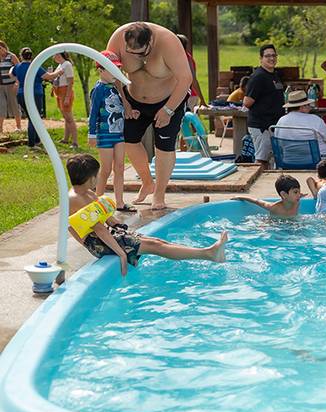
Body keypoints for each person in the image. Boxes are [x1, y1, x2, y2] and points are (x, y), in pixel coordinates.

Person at [66, 154, 227, 277]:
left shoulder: (88, 193)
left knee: (156, 241)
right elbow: (99, 230)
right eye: (97, 175)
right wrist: (122, 254)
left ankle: (207, 253)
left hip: (108, 235)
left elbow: (105, 219)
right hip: (98, 242)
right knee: (155, 247)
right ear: (90, 178)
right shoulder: (75, 200)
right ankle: (208, 253)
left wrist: (121, 227)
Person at [107, 22, 193, 210]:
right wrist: (125, 102)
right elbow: (110, 73)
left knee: (163, 146)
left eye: (142, 53)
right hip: (134, 99)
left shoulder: (168, 41)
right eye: (132, 54)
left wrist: (169, 109)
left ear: (151, 41)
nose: (137, 57)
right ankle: (147, 182)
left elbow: (186, 78)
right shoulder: (117, 38)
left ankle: (159, 193)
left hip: (168, 99)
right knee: (128, 139)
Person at [88, 51, 132, 213]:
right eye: (111, 69)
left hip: (118, 133)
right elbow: (93, 114)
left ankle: (119, 202)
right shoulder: (98, 89)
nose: (116, 73)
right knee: (106, 169)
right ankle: (97, 202)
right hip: (104, 134)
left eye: (117, 69)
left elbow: (119, 109)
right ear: (101, 70)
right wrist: (92, 133)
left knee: (119, 167)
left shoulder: (115, 89)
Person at [275, 90, 326, 170]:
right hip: (318, 163)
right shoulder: (314, 119)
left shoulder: (281, 121)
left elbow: (279, 145)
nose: (310, 107)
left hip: (289, 162)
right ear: (302, 107)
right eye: (308, 104)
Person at [243, 44, 285, 168]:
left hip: (272, 125)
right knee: (261, 159)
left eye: (273, 55)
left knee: (269, 159)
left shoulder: (274, 75)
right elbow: (247, 102)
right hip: (261, 126)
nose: (271, 58)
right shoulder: (258, 77)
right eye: (267, 56)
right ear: (261, 58)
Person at [11, 47, 55, 147]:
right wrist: (59, 72)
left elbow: (11, 74)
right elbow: (49, 76)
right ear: (31, 56)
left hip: (21, 94)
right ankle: (32, 143)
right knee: (34, 117)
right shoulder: (35, 66)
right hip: (35, 94)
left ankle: (37, 139)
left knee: (31, 117)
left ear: (21, 56)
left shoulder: (18, 67)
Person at [232, 174, 302, 218]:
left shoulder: (296, 202)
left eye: (299, 191)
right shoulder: (274, 208)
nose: (299, 195)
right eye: (295, 192)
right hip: (275, 226)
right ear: (283, 194)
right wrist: (241, 197)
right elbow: (257, 201)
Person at [49, 52, 78, 147]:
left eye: (55, 54)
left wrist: (67, 97)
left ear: (59, 55)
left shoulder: (67, 64)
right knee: (66, 117)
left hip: (65, 92)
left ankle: (75, 142)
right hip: (59, 92)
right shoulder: (60, 65)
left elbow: (70, 81)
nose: (53, 56)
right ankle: (66, 139)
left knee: (69, 118)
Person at [176, 34, 207, 111]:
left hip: (189, 96)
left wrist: (202, 99)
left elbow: (192, 79)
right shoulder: (180, 57)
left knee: (188, 119)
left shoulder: (185, 58)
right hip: (185, 95)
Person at [0, 41, 21, 134]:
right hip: (1, 85)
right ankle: (0, 128)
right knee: (1, 106)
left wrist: (17, 82)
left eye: (1, 48)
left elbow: (19, 69)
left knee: (14, 105)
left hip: (11, 85)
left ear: (4, 47)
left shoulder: (11, 56)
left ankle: (18, 126)